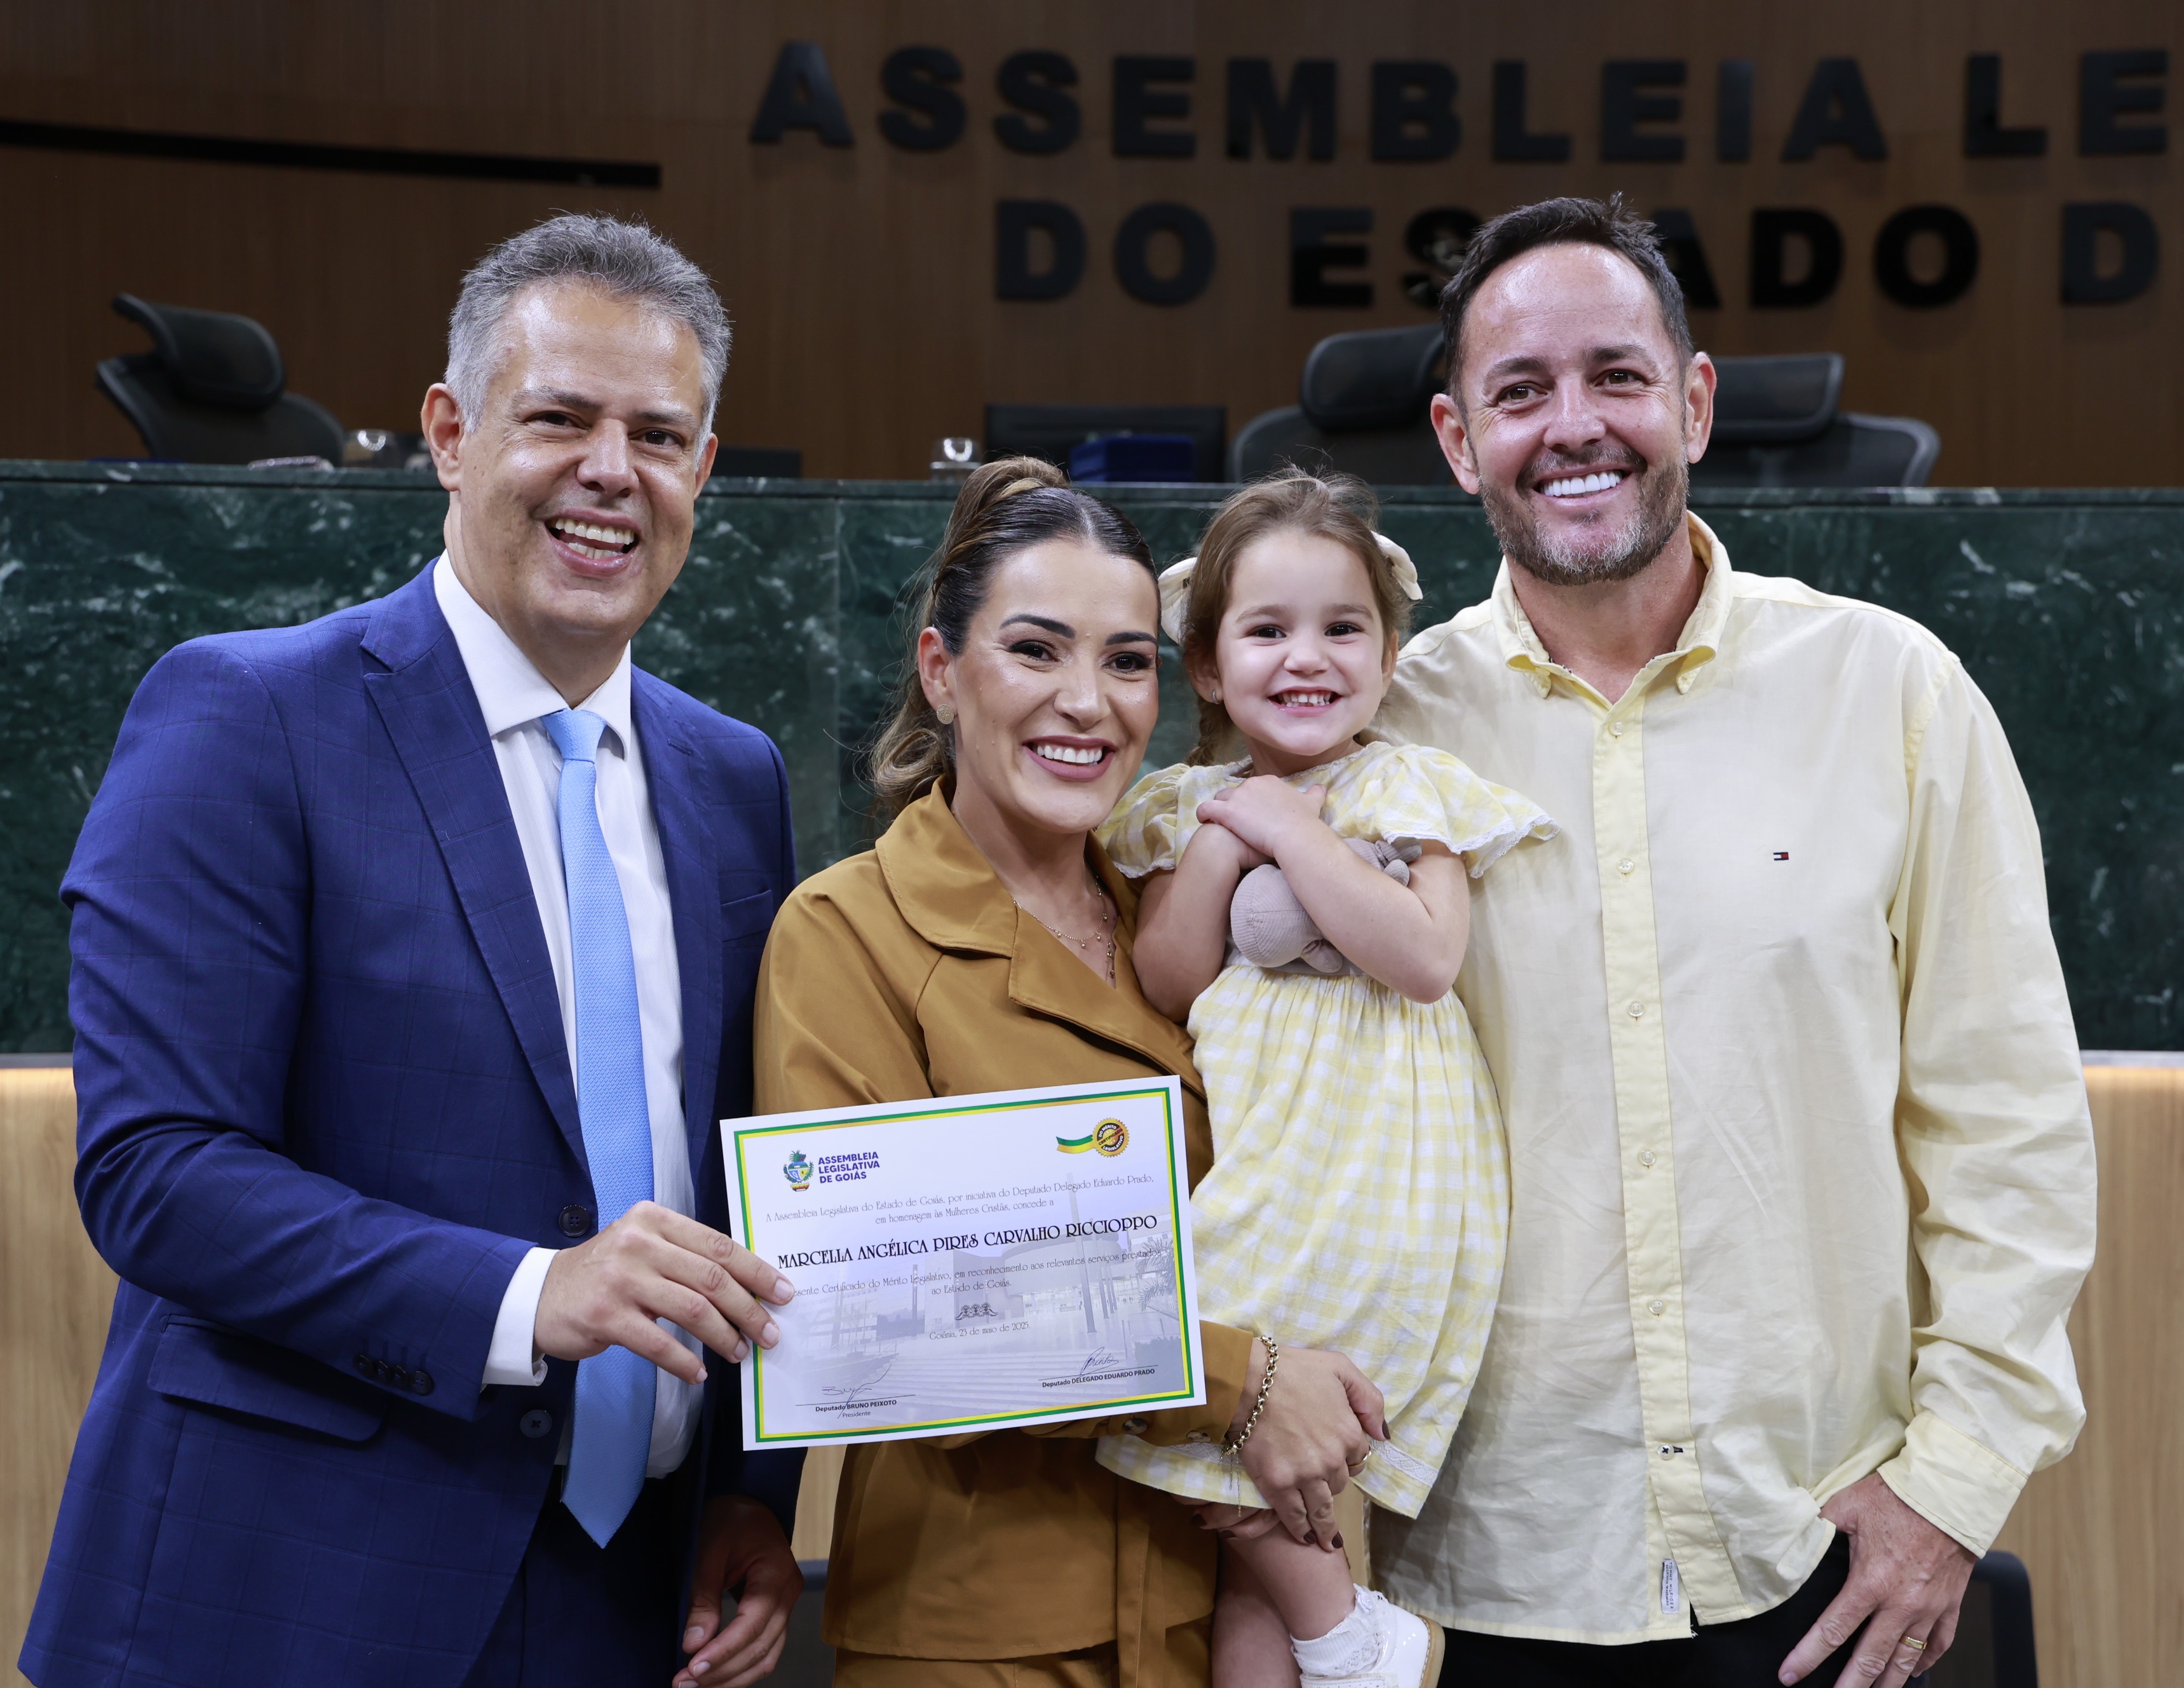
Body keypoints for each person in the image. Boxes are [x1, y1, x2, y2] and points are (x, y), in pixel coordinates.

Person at [24, 214, 806, 1688]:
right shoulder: (246, 716)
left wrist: (750, 1493)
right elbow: (157, 1167)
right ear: (449, 434)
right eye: (559, 418)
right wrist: (526, 1293)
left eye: (658, 435)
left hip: (637, 1603)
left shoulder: (734, 778)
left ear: (704, 467)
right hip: (288, 1595)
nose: (611, 471)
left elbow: (742, 1162)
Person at [1365, 193, 2098, 1688]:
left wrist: (1950, 1488)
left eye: (1618, 376)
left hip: (1821, 1557)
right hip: (1477, 1576)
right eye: (1522, 390)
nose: (1576, 425)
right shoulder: (1379, 733)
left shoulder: (1891, 692)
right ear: (1458, 438)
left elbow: (2008, 1128)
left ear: (1693, 402)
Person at [754, 458, 1390, 1688]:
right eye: (1036, 650)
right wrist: (1241, 1382)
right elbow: (869, 1315)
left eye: (1128, 660)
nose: (1087, 703)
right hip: (978, 1628)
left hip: (1224, 1609)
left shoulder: (1189, 917)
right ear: (943, 671)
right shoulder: (844, 934)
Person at [1092, 471, 1552, 1688]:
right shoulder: (1184, 809)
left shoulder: (1406, 791)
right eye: (1267, 630)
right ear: (1207, 666)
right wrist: (1226, 837)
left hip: (1369, 1170)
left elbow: (1425, 958)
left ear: (1390, 655)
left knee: (1226, 1446)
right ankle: (1337, 1647)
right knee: (1256, 1492)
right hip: (1263, 1150)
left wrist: (1297, 831)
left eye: (1343, 628)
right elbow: (1168, 979)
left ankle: (1353, 1635)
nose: (1308, 657)